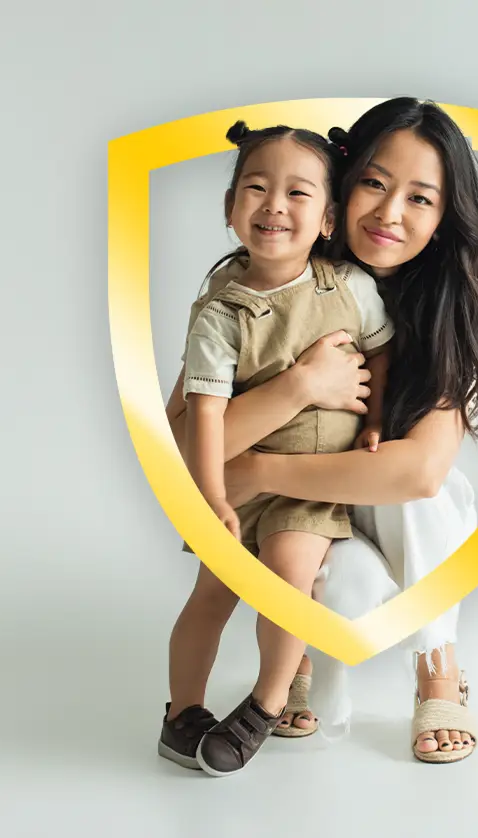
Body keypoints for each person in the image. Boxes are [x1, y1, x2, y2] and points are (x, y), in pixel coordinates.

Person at [168, 97, 478, 766]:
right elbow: (184, 432)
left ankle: (440, 672)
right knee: (322, 577)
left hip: (375, 510)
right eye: (374, 182)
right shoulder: (265, 278)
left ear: (446, 217)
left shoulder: (447, 314)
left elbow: (416, 474)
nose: (389, 213)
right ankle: (290, 665)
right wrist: (299, 387)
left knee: (430, 497)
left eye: (420, 198)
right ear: (341, 185)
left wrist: (257, 472)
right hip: (299, 518)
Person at [155, 120, 395, 778]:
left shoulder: (349, 290)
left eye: (297, 193)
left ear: (327, 218)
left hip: (312, 484)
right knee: (212, 593)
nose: (274, 206)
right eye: (256, 189)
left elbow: (382, 349)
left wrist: (373, 422)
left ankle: (264, 705)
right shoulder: (220, 313)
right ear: (231, 207)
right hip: (235, 482)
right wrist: (211, 498)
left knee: (289, 577)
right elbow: (205, 412)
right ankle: (181, 714)